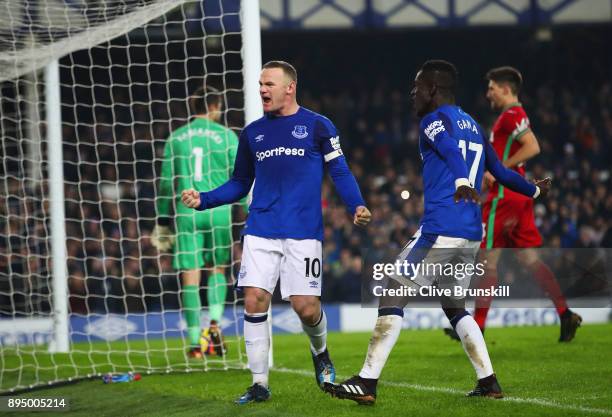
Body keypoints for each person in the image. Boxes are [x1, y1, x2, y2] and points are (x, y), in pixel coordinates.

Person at [324, 60, 551, 405]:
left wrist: (461, 179)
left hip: (441, 228)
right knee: (454, 305)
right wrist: (533, 191)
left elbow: (446, 148)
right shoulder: (474, 124)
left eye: (417, 88)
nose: (413, 95)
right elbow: (502, 172)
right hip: (471, 233)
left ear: (433, 88)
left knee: (392, 289)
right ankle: (489, 381)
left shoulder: (434, 119)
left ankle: (367, 381)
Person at [181, 60, 372, 404]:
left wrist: (356, 204)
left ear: (289, 87)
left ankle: (321, 352)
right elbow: (240, 183)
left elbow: (339, 170)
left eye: (269, 84)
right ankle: (259, 384)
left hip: (303, 231)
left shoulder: (318, 125)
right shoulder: (253, 133)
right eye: (260, 84)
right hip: (261, 227)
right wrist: (204, 199)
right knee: (254, 298)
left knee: (305, 307)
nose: (262, 90)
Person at [444, 66, 581, 343]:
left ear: (506, 89)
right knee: (530, 259)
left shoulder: (511, 115)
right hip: (519, 197)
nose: (488, 93)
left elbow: (532, 146)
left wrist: (498, 171)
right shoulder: (511, 116)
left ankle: (477, 327)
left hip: (505, 197)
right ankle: (566, 313)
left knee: (488, 260)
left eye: (492, 88)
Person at [152, 86, 238, 359]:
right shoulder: (227, 136)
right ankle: (214, 324)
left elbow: (166, 183)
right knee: (217, 269)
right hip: (219, 211)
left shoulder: (176, 138)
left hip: (187, 211)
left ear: (192, 104)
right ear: (215, 106)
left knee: (190, 274)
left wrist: (163, 217)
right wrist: (249, 210)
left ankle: (193, 342)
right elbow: (243, 178)